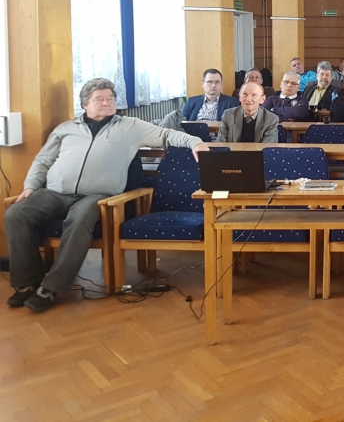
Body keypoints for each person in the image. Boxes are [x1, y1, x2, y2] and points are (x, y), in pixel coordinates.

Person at [4, 78, 207, 313]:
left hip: (97, 196)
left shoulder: (130, 126)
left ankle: (51, 287)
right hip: (56, 192)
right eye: (99, 99)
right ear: (84, 104)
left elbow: (167, 134)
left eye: (110, 98)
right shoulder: (65, 128)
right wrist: (30, 186)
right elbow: (43, 160)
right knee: (16, 214)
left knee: (79, 220)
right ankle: (26, 283)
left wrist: (195, 143)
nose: (106, 103)